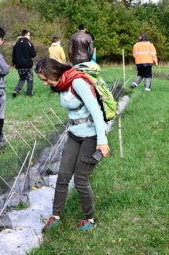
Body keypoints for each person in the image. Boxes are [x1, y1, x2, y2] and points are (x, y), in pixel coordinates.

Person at [35, 57, 110, 231]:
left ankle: (89, 219)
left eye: (45, 79)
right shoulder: (61, 85)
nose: (45, 83)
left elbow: (96, 112)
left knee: (81, 179)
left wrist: (102, 141)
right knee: (63, 175)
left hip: (91, 136)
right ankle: (55, 216)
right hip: (74, 134)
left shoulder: (77, 83)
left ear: (54, 73)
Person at [12, 30, 36, 98]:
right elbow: (33, 54)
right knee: (30, 79)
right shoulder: (28, 43)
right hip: (27, 65)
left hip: (19, 65)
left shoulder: (16, 43)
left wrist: (14, 63)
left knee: (22, 78)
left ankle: (16, 90)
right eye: (29, 35)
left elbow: (13, 55)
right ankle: (29, 94)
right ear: (25, 35)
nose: (29, 37)